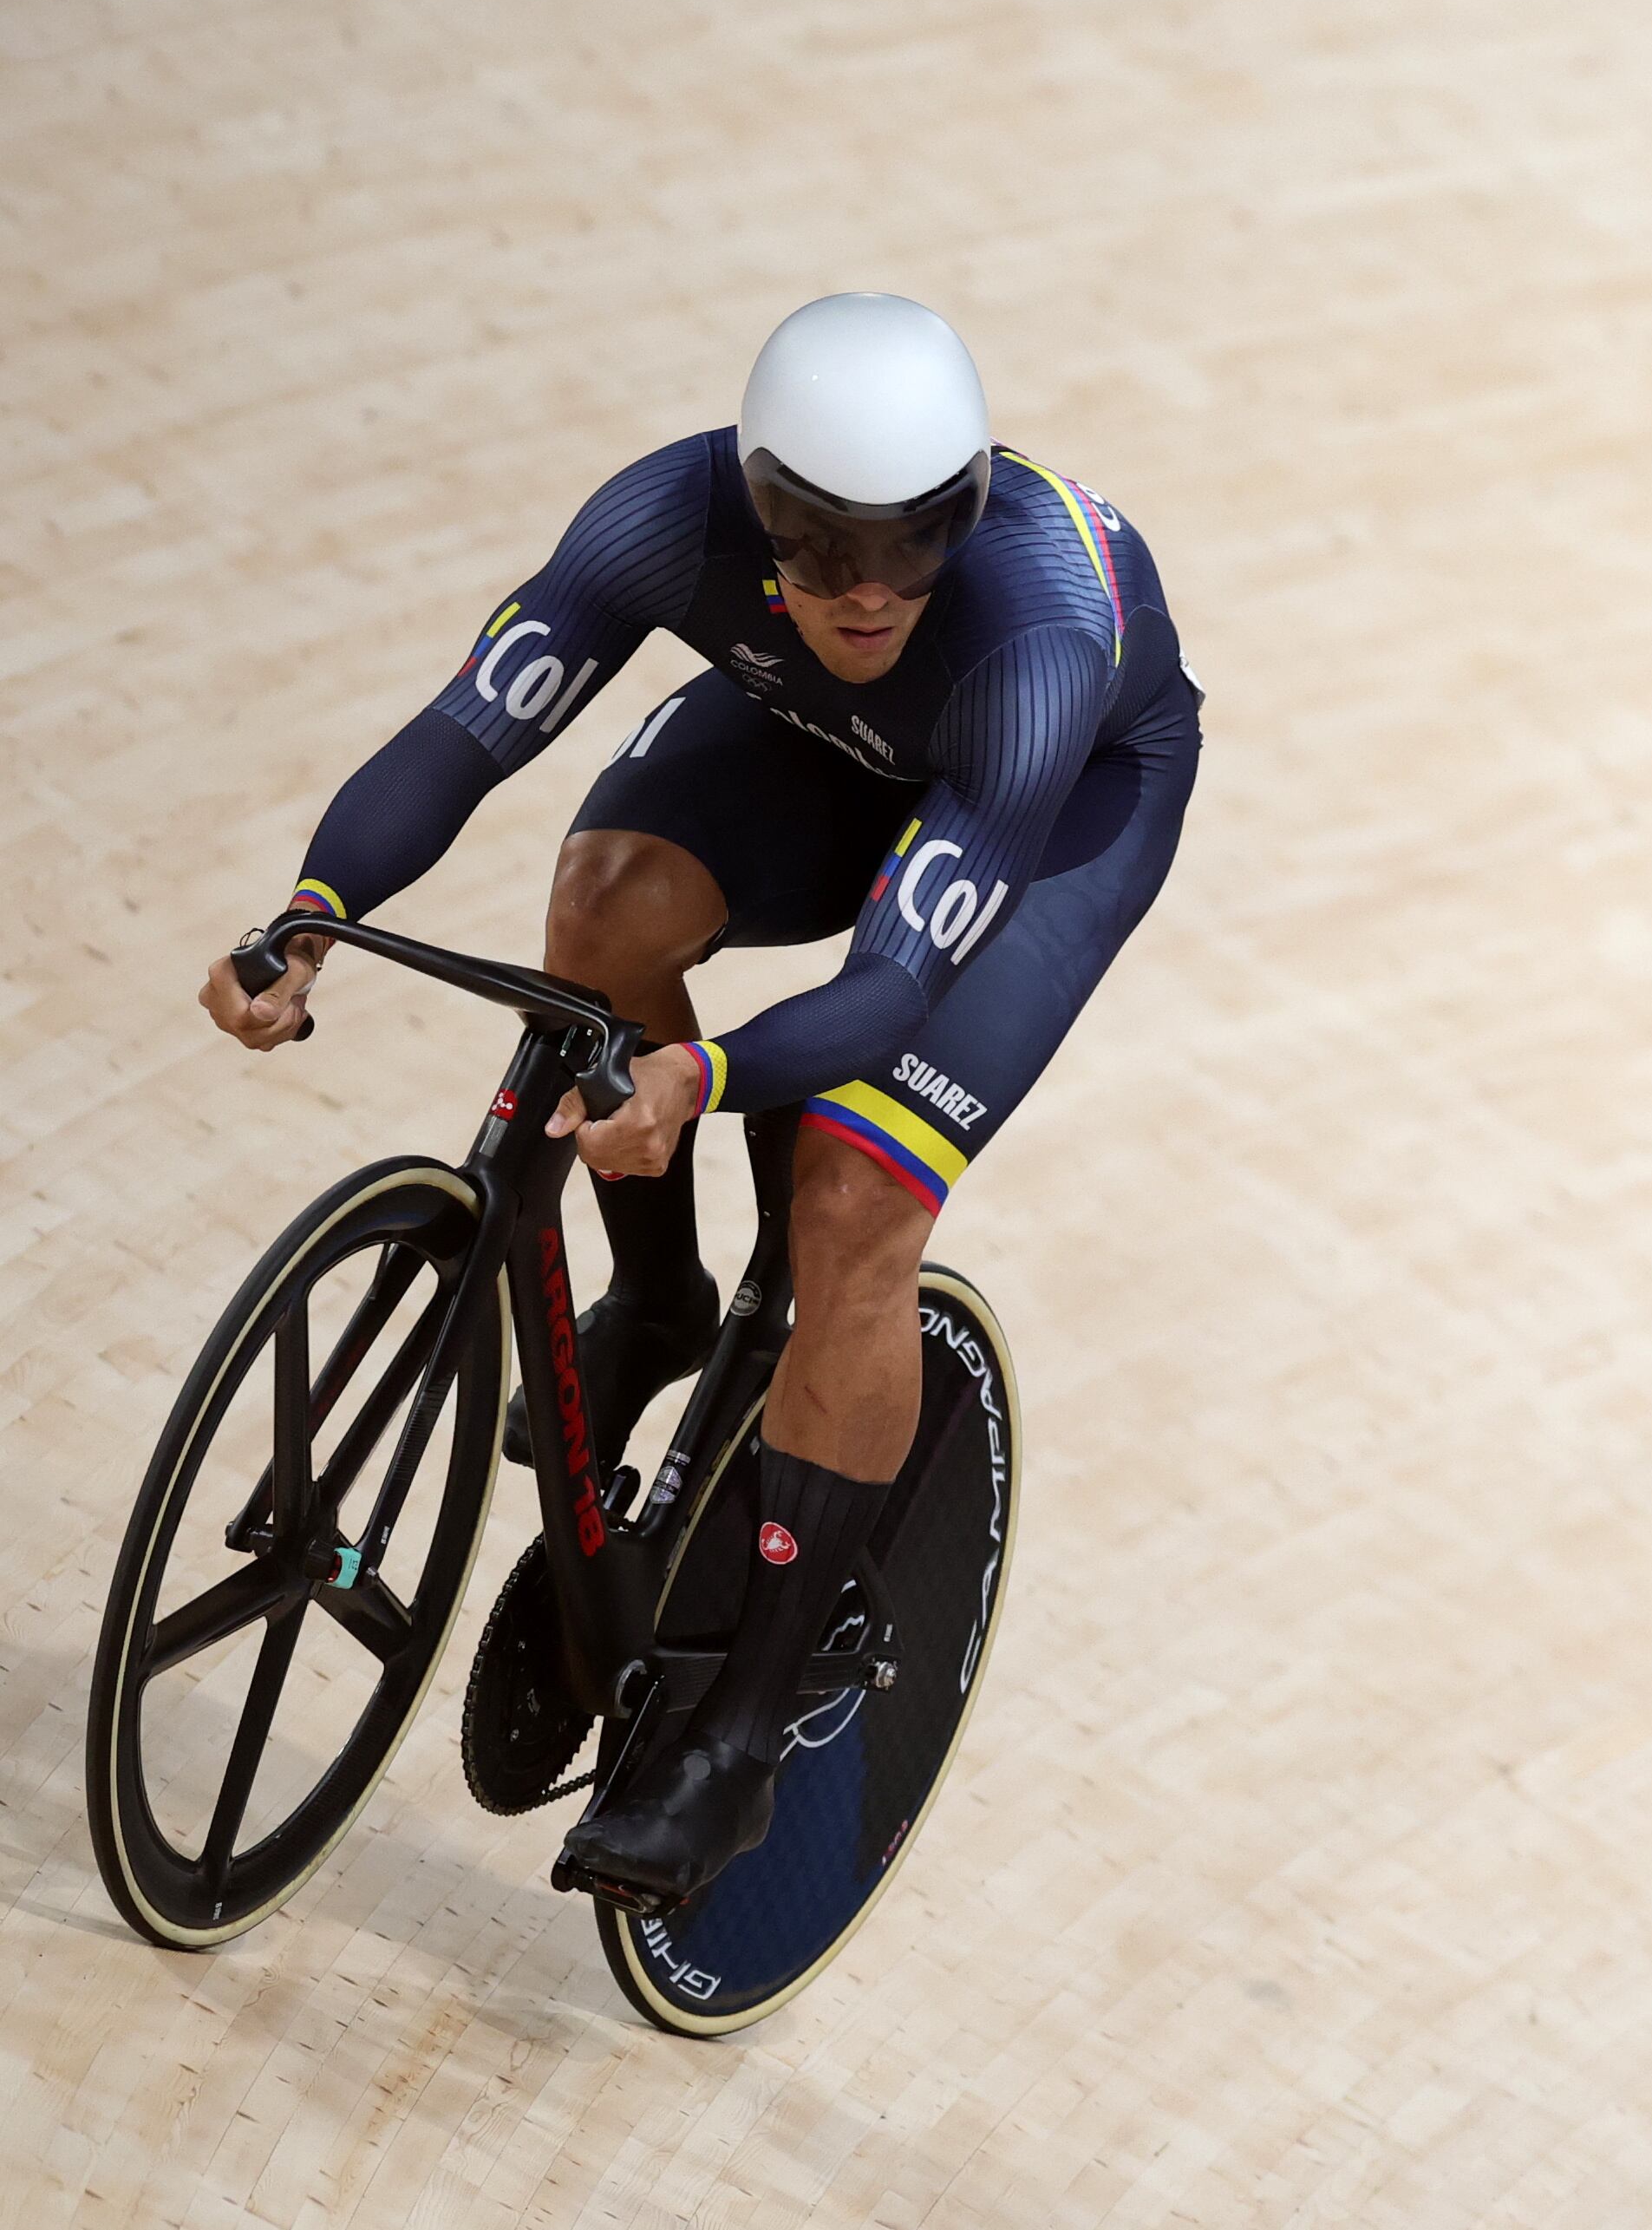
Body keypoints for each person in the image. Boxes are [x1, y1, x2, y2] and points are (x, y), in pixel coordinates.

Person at [199, 292, 1200, 1910]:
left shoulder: (1031, 638)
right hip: (823, 732)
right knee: (601, 909)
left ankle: (737, 1743)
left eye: (913, 543)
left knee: (852, 1199)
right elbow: (467, 736)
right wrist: (309, 909)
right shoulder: (663, 516)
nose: (868, 586)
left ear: (970, 512)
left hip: (1060, 802)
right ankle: (656, 1293)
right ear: (755, 502)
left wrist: (702, 1070)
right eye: (816, 544)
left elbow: (892, 990)